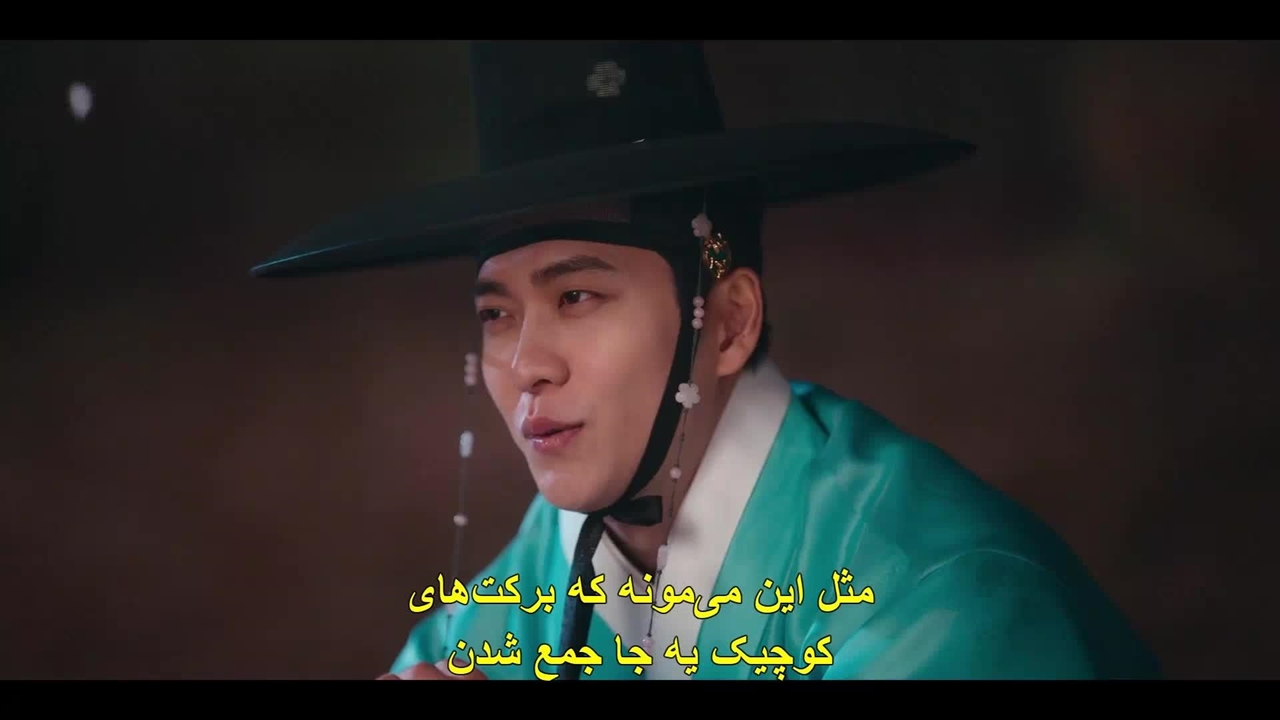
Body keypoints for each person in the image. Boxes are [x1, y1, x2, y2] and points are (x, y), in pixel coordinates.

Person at [251, 41, 1161, 680]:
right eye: (497, 314)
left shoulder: (942, 594)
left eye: (577, 297)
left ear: (729, 322)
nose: (526, 364)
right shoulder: (543, 570)